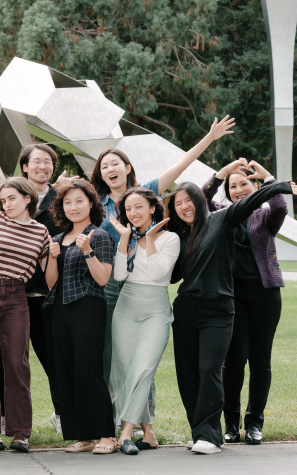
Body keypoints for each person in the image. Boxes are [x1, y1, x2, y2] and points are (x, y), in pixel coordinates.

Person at [90, 115, 237, 431]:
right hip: (111, 285)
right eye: (104, 166)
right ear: (100, 174)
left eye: (115, 163)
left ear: (127, 168)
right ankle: (114, 421)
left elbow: (181, 167)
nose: (110, 169)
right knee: (112, 356)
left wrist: (209, 137)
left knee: (145, 357)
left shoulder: (146, 191)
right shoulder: (97, 203)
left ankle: (146, 426)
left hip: (145, 284)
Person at [166, 178, 297, 454]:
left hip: (219, 307)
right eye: (177, 203)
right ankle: (199, 431)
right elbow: (172, 275)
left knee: (210, 369)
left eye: (188, 200)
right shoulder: (178, 235)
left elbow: (252, 201)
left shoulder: (220, 219)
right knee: (188, 374)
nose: (183, 206)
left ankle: (211, 434)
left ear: (199, 201)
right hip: (186, 309)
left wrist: (278, 187)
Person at [201, 159, 292, 446]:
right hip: (233, 294)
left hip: (265, 292)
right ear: (227, 191)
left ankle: (255, 424)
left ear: (254, 186)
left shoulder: (265, 216)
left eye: (244, 184)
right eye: (233, 186)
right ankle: (231, 424)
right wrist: (221, 174)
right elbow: (201, 198)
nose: (239, 189)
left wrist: (267, 177)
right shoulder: (220, 214)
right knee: (235, 358)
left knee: (260, 359)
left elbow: (280, 206)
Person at [0, 177, 50, 453]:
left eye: (12, 198)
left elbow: (50, 273)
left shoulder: (41, 232)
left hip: (17, 296)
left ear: (28, 198)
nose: (7, 204)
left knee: (17, 363)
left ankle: (20, 432)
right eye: (4, 200)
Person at [43, 179, 116, 454]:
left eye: (79, 201)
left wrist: (87, 251)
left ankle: (107, 435)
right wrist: (51, 257)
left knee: (89, 370)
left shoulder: (99, 235)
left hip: (88, 308)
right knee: (68, 371)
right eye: (67, 202)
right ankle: (83, 436)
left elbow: (102, 278)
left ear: (91, 204)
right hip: (60, 311)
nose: (73, 207)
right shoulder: (59, 239)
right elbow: (51, 283)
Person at [107, 188, 180, 455]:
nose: (133, 213)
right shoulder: (128, 237)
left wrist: (149, 241)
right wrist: (124, 240)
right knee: (127, 372)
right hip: (126, 308)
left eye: (138, 206)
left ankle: (125, 433)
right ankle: (148, 433)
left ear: (152, 208)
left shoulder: (169, 238)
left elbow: (161, 275)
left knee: (143, 370)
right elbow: (118, 276)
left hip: (155, 310)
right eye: (128, 209)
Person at [18, 143, 70, 433]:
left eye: (47, 161)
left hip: (50, 293)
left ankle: (62, 414)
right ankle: (5, 419)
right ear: (24, 166)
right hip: (15, 294)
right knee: (9, 360)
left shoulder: (61, 199)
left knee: (54, 356)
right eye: (36, 161)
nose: (42, 166)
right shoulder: (13, 197)